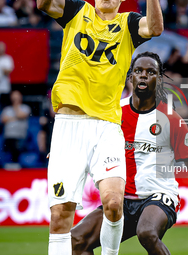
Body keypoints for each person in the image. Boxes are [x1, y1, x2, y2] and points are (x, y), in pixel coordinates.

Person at [36, 0, 163, 254]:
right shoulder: (76, 11)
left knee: (114, 203)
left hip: (106, 126)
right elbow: (44, 4)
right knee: (61, 214)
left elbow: (156, 28)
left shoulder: (128, 24)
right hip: (68, 125)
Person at [71, 52, 188, 255]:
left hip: (159, 196)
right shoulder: (114, 111)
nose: (143, 75)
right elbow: (88, 139)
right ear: (130, 77)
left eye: (150, 72)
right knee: (77, 240)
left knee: (147, 233)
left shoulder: (170, 119)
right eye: (138, 71)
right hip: (122, 199)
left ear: (158, 80)